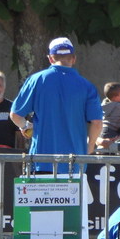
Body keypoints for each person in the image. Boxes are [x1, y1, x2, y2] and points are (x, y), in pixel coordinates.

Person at [9, 37, 103, 173]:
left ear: (50, 58)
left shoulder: (36, 80)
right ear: (74, 58)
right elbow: (97, 123)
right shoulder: (87, 86)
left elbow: (15, 114)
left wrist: (26, 126)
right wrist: (90, 145)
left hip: (41, 161)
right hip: (75, 163)